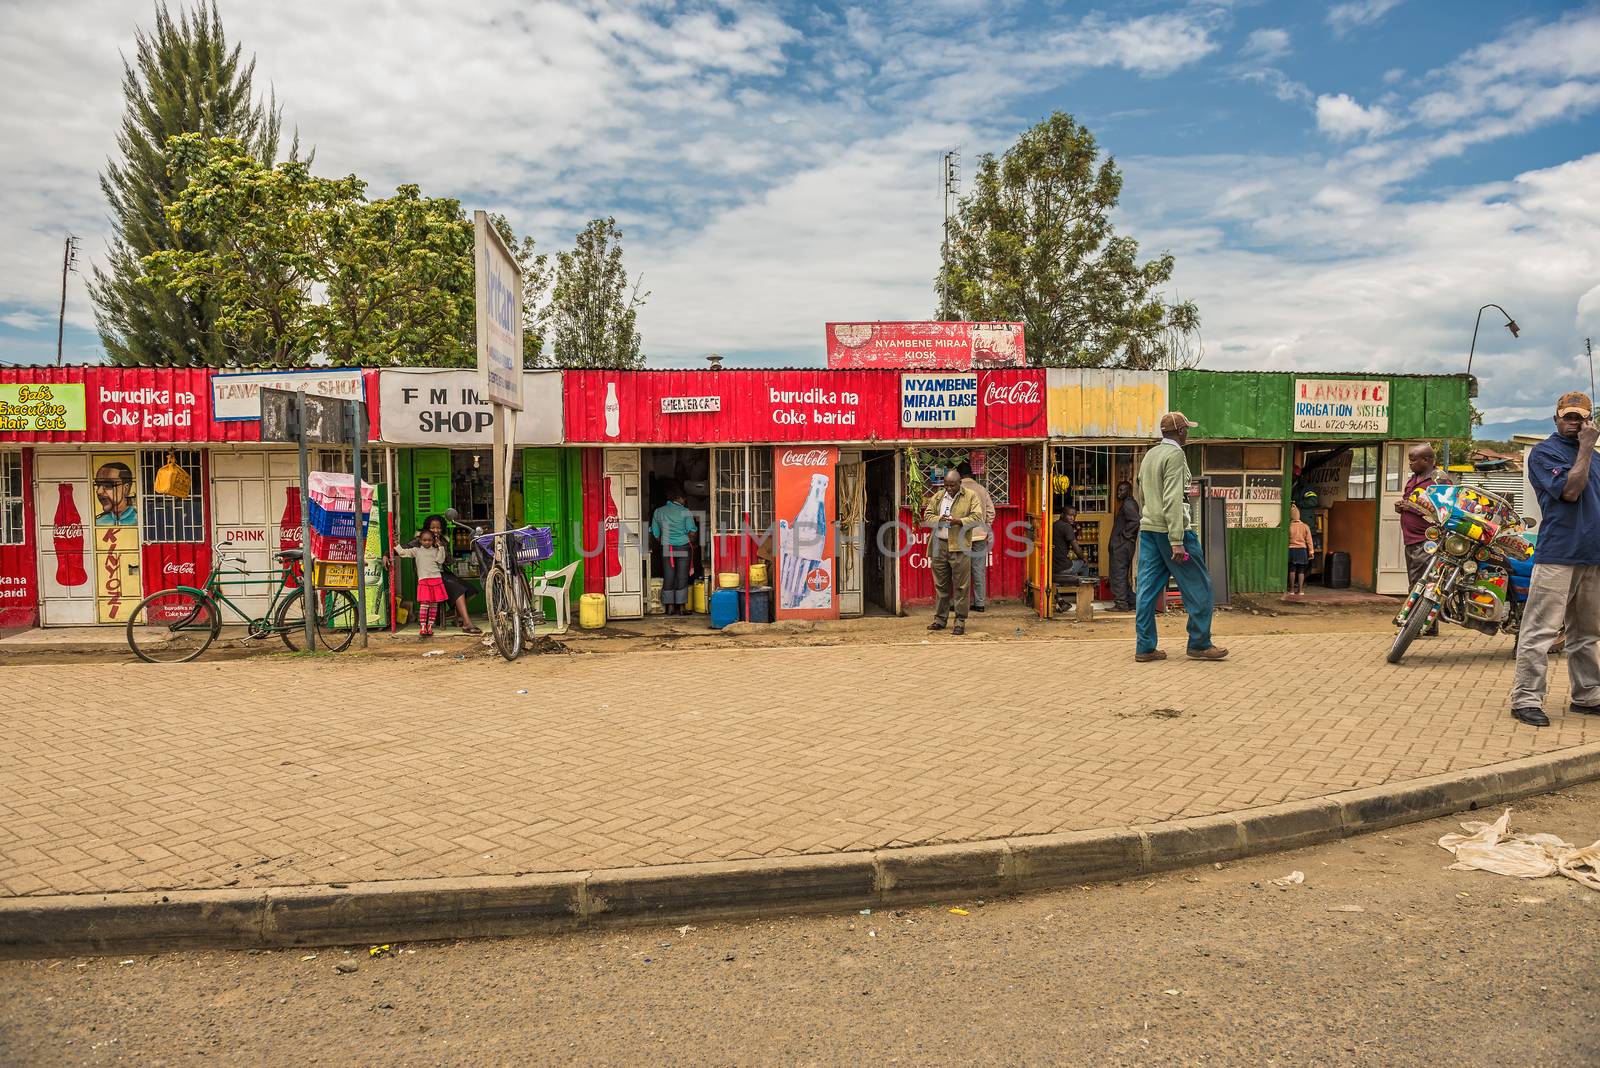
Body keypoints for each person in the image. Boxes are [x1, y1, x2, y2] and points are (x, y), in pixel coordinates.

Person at [1509, 391, 1600, 727]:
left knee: (1587, 633)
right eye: (1569, 416)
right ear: (1556, 418)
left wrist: (1589, 451)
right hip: (1558, 554)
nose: (1574, 423)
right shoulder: (1544, 453)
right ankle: (1526, 699)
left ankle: (1588, 695)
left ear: (1590, 420)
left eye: (1581, 417)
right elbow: (1571, 491)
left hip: (1593, 556)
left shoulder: (1596, 460)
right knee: (1541, 630)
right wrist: (1588, 447)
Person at [1134, 412, 1227, 663]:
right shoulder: (1175, 455)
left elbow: (1142, 492)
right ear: (1181, 431)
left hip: (1150, 530)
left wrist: (1150, 518)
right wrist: (1176, 539)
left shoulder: (1150, 455)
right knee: (1199, 586)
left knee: (1147, 590)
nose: (1188, 433)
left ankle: (1144, 647)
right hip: (1173, 533)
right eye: (1187, 429)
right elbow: (1173, 498)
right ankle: (1199, 643)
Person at [1395, 444, 1450, 636]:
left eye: (1413, 460)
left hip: (1427, 541)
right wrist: (1402, 506)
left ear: (1427, 460)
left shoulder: (1439, 480)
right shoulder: (1414, 480)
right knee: (1416, 580)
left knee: (1421, 581)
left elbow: (1446, 510)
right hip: (1411, 539)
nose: (1410, 464)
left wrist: (1413, 508)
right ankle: (1422, 625)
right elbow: (1410, 501)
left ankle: (1418, 625)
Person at [922, 468, 983, 635]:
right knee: (940, 585)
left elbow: (978, 517)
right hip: (939, 545)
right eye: (946, 485)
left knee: (961, 586)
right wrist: (938, 519)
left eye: (952, 485)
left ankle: (960, 621)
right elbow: (927, 515)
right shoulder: (939, 496)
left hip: (960, 546)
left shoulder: (970, 496)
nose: (949, 488)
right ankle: (940, 619)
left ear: (960, 483)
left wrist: (959, 521)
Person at [411, 515, 481, 633]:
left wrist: (441, 547)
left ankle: (454, 614)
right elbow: (402, 548)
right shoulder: (420, 540)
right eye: (432, 528)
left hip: (443, 574)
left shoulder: (442, 541)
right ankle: (466, 623)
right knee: (458, 589)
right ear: (427, 528)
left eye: (438, 528)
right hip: (430, 576)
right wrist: (387, 554)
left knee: (471, 590)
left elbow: (449, 561)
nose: (436, 530)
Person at [650, 485, 698, 616]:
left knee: (669, 575)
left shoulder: (658, 511)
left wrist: (665, 541)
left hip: (667, 547)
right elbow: (692, 532)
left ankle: (670, 607)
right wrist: (687, 539)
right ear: (679, 498)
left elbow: (655, 533)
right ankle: (681, 608)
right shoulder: (685, 512)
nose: (685, 501)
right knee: (682, 576)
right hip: (683, 547)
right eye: (684, 498)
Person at [394, 527, 448, 641]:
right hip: (424, 580)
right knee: (425, 604)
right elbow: (403, 553)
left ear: (433, 541)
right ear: (420, 540)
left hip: (436, 579)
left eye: (429, 540)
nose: (427, 542)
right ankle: (423, 626)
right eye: (424, 540)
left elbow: (441, 560)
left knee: (433, 605)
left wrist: (441, 546)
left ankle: (430, 626)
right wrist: (396, 544)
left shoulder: (436, 551)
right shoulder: (416, 551)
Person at [957, 461, 996, 612]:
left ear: (958, 475)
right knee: (978, 570)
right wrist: (986, 526)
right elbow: (991, 512)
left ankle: (961, 604)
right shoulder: (981, 489)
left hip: (961, 536)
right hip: (980, 536)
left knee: (960, 571)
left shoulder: (957, 489)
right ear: (971, 474)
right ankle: (980, 604)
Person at [1109, 480, 1139, 612]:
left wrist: (1125, 535)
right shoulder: (1128, 504)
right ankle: (1132, 601)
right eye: (1118, 490)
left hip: (1123, 545)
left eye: (1122, 490)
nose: (1119, 493)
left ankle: (1121, 603)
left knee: (1118, 573)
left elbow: (1136, 521)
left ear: (1129, 491)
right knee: (1121, 573)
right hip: (1124, 544)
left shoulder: (1128, 505)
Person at [1287, 505, 1314, 597]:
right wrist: (1311, 551)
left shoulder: (1288, 526)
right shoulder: (1305, 526)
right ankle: (1300, 590)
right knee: (1301, 570)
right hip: (1302, 550)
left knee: (1292, 569)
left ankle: (1291, 590)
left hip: (1291, 550)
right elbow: (1309, 541)